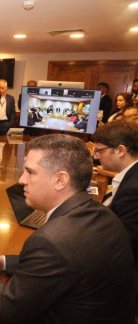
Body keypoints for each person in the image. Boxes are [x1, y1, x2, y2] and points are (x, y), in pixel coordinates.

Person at [0, 134, 134, 323]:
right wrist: (3, 262)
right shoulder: (103, 214)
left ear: (60, 180)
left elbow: (5, 310)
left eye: (30, 172)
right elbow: (63, 263)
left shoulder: (50, 241)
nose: (22, 180)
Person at [91, 119, 138, 312]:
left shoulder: (133, 190)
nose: (95, 156)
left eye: (99, 151)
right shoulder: (131, 175)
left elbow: (122, 244)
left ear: (120, 150)